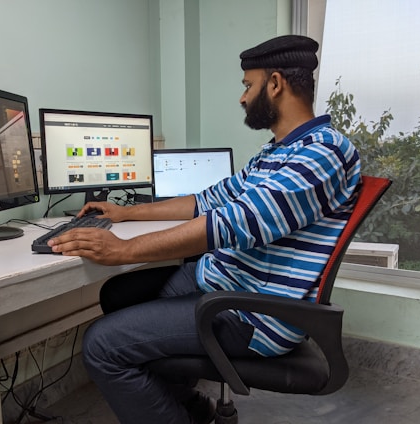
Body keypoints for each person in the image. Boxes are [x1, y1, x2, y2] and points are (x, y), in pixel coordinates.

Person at [48, 35, 361, 424]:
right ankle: (194, 410)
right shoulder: (275, 151)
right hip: (222, 282)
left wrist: (124, 250)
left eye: (248, 85)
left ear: (276, 84)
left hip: (252, 312)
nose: (243, 97)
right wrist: (128, 214)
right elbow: (207, 200)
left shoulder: (323, 151)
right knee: (119, 294)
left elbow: (236, 221)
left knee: (100, 346)